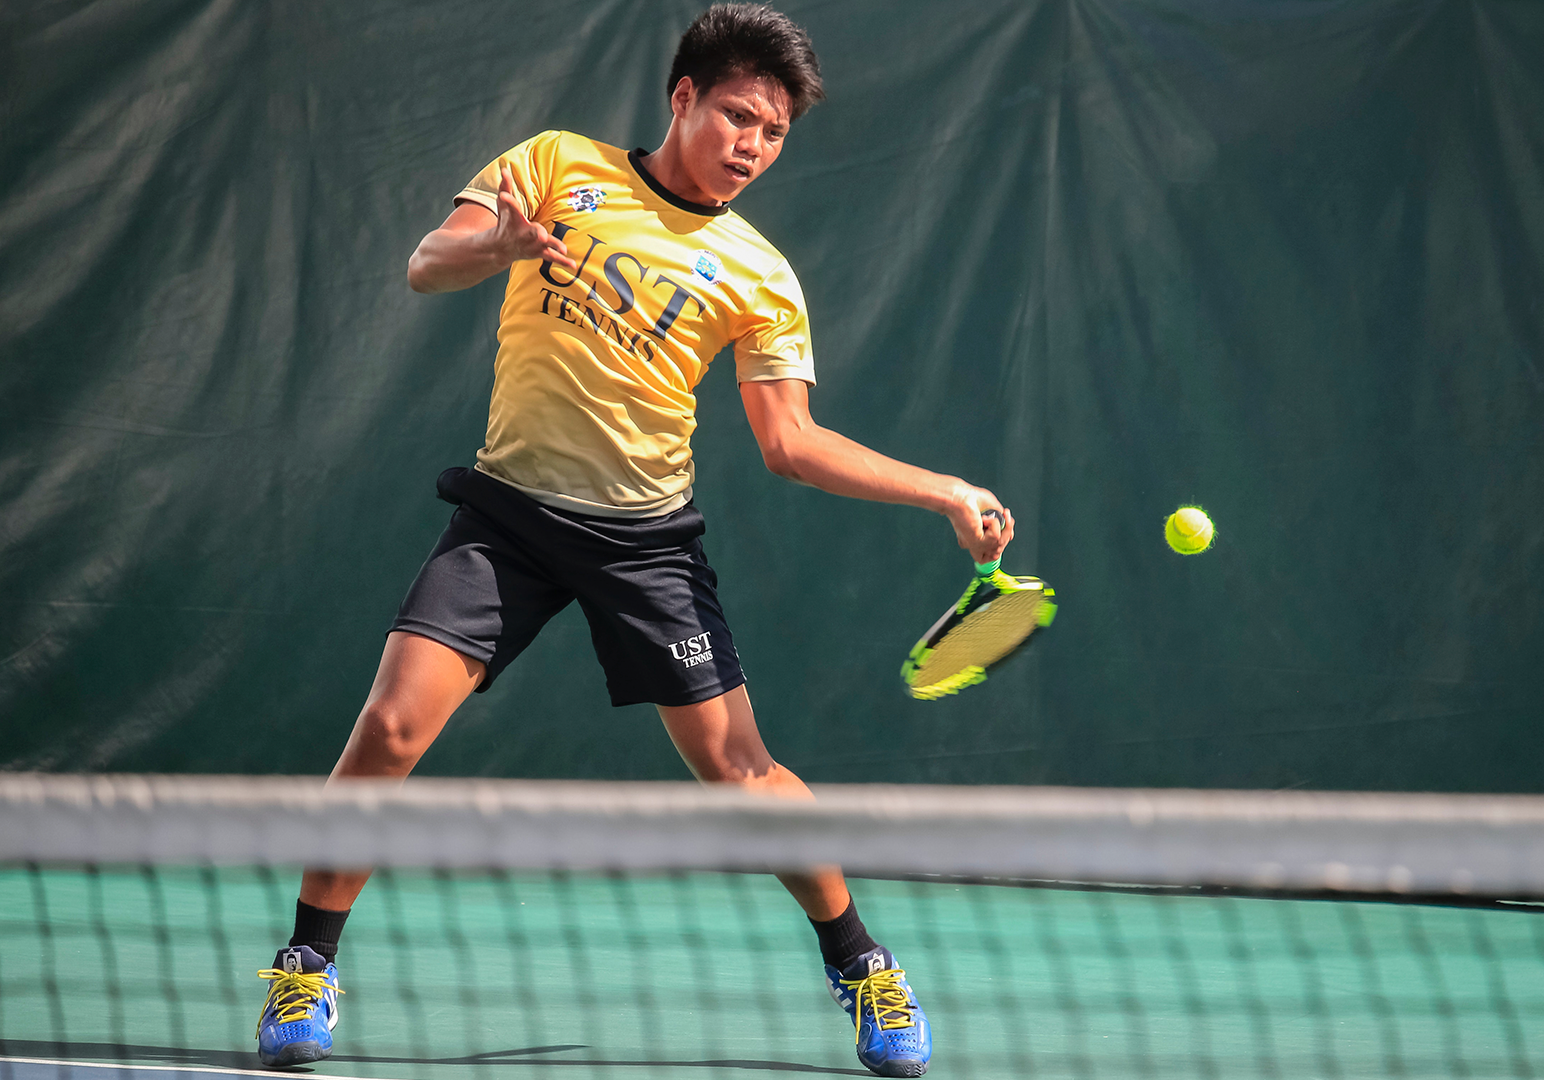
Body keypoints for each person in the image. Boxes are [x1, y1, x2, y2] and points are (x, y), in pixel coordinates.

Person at [251, 5, 1012, 1077]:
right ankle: (306, 964)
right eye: (738, 116)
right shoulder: (557, 165)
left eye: (775, 132)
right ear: (683, 97)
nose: (753, 145)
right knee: (388, 727)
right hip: (509, 519)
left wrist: (945, 492)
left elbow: (790, 444)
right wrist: (497, 245)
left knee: (740, 772)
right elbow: (428, 262)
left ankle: (863, 964)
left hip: (645, 544)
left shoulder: (759, 273)